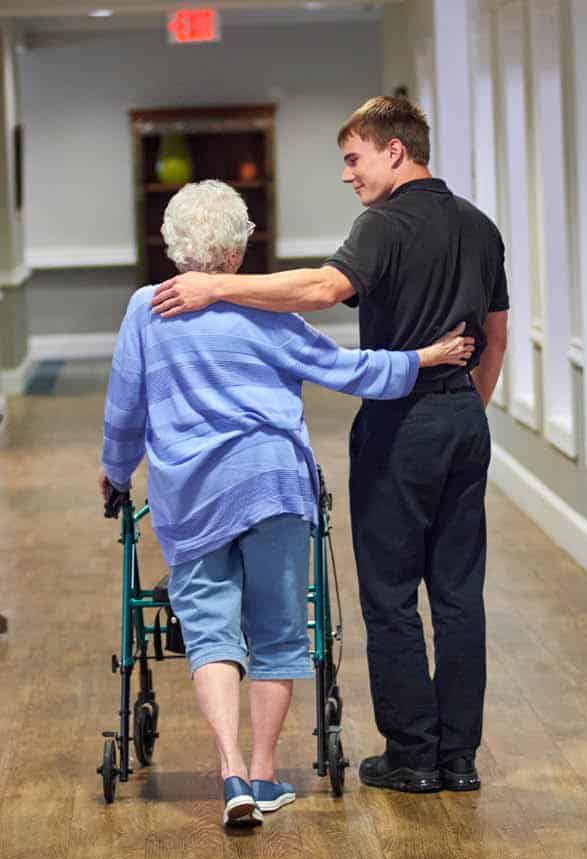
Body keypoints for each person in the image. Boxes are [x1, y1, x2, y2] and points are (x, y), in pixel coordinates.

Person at [150, 96, 508, 795]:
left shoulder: (383, 224)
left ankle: (412, 756)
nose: (349, 175)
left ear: (395, 151)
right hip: (464, 418)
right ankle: (458, 758)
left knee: (392, 593)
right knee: (461, 595)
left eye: (353, 158)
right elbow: (492, 338)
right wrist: (464, 409)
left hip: (398, 420)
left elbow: (322, 288)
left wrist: (215, 285)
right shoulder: (480, 226)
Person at [99, 179, 475, 827]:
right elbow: (347, 371)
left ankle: (230, 773)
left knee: (212, 631)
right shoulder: (270, 312)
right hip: (272, 484)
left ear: (173, 245)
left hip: (191, 493)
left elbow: (125, 410)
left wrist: (113, 473)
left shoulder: (146, 310)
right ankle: (268, 773)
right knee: (277, 631)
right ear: (240, 250)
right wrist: (425, 358)